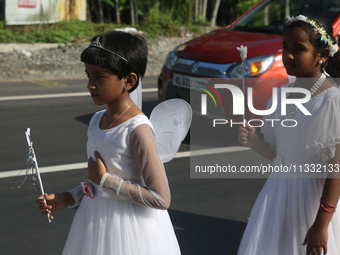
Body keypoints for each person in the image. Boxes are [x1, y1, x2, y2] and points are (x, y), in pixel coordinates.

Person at [36, 31, 181, 255]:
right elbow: (94, 183)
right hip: (95, 222)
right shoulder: (97, 121)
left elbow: (161, 198)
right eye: (88, 76)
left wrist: (106, 181)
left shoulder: (137, 130)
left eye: (99, 77)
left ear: (129, 80)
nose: (90, 85)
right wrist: (69, 197)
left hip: (131, 230)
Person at [237, 15, 340, 255]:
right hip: (277, 195)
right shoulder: (281, 94)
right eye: (285, 47)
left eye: (298, 49)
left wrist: (321, 224)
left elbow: (336, 169)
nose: (288, 55)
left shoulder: (332, 101)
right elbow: (280, 155)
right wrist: (254, 143)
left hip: (312, 200)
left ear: (322, 55)